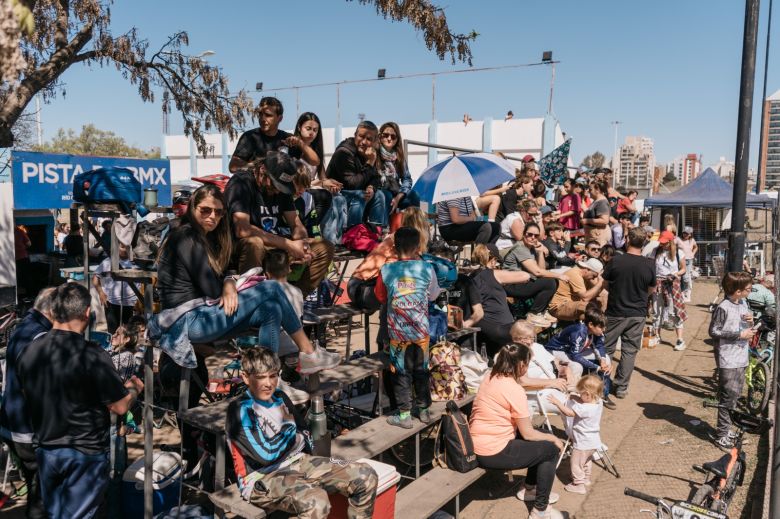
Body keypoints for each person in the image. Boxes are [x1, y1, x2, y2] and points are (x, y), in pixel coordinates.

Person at [151, 184, 339, 373]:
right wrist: (228, 283)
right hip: (187, 320)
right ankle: (308, 352)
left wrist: (230, 280)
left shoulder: (210, 237)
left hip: (205, 313)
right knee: (271, 287)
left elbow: (227, 269)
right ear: (193, 208)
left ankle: (269, 379)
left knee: (270, 309)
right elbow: (212, 288)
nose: (212, 217)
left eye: (218, 212)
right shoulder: (185, 236)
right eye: (205, 210)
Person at [17, 283, 143, 518]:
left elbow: (27, 394)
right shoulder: (92, 355)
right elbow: (120, 405)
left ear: (53, 312)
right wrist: (134, 389)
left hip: (47, 450)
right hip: (84, 454)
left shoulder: (30, 351)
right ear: (87, 313)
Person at [226, 348, 379, 518]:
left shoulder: (280, 396)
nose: (268, 383)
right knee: (317, 503)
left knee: (365, 475)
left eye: (273, 375)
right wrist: (291, 432)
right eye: (261, 377)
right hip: (262, 477)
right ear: (246, 377)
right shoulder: (240, 410)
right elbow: (266, 454)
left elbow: (304, 432)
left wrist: (298, 439)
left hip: (299, 461)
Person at [469, 344, 565, 519]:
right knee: (551, 450)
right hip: (493, 451)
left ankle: (529, 489)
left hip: (477, 442)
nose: (528, 368)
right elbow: (528, 434)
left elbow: (521, 383)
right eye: (527, 364)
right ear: (521, 365)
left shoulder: (491, 376)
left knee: (541, 436)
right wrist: (553, 438)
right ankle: (540, 510)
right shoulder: (514, 390)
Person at [224, 151, 335, 295]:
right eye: (275, 185)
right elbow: (242, 229)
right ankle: (253, 301)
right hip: (245, 249)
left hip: (276, 246)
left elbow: (295, 223)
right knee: (254, 243)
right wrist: (289, 245)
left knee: (324, 247)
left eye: (282, 187)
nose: (277, 190)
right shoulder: (241, 182)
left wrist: (303, 245)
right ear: (262, 169)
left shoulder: (283, 187)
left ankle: (295, 298)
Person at [374, 227, 440, 428]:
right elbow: (434, 294)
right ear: (418, 247)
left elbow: (381, 296)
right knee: (421, 370)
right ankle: (424, 410)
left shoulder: (386, 270)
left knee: (400, 372)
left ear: (394, 248)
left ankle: (404, 416)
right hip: (421, 332)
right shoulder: (427, 268)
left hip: (397, 333)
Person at [0, 288, 56, 519]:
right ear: (53, 310)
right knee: (42, 493)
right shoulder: (39, 336)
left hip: (11, 423)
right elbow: (36, 387)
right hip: (27, 429)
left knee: (37, 488)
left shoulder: (23, 326)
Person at [603, 227, 656, 399]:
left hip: (615, 311)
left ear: (627, 240)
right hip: (637, 313)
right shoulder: (649, 264)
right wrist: (640, 297)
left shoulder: (616, 261)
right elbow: (652, 288)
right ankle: (621, 387)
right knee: (629, 351)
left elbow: (605, 284)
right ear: (644, 242)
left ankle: (603, 385)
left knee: (607, 349)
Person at [347, 207, 429, 313]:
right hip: (360, 287)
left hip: (368, 285)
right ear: (420, 225)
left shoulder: (406, 238)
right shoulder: (398, 240)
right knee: (404, 291)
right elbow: (391, 273)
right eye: (426, 223)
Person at [709, 271, 756, 448]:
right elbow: (714, 331)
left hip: (741, 356)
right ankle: (721, 435)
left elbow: (744, 324)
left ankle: (727, 429)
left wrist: (751, 322)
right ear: (737, 291)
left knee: (735, 396)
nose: (750, 291)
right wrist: (739, 334)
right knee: (727, 397)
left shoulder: (743, 302)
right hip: (727, 358)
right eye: (748, 289)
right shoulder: (723, 307)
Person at [545, 305, 615, 409]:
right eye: (601, 327)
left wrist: (603, 361)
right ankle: (572, 395)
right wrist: (597, 367)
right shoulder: (578, 331)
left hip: (573, 351)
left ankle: (602, 393)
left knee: (607, 359)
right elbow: (575, 356)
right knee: (577, 366)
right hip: (556, 351)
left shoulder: (596, 332)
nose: (603, 330)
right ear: (591, 324)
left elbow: (599, 346)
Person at [466, 245, 531, 355]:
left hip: (485, 327)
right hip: (504, 327)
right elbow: (525, 275)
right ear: (493, 260)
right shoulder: (495, 274)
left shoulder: (470, 276)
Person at [546, 375, 604, 495]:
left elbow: (569, 413)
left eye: (581, 393)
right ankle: (586, 478)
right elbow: (585, 402)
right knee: (587, 460)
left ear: (587, 394)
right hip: (593, 442)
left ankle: (578, 485)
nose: (580, 396)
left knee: (576, 463)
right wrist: (576, 398)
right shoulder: (598, 403)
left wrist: (557, 402)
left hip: (582, 442)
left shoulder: (584, 408)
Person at [325, 121, 387, 230]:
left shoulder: (369, 152)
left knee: (379, 195)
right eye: (361, 136)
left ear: (374, 141)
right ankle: (353, 234)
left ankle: (376, 233)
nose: (363, 142)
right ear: (355, 135)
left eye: (369, 139)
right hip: (336, 194)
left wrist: (371, 187)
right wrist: (370, 162)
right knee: (360, 195)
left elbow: (377, 178)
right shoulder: (344, 152)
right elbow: (352, 184)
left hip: (355, 193)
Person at [228, 97, 315, 172]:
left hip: (282, 190)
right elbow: (232, 166)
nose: (263, 119)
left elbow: (314, 161)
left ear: (280, 118)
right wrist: (256, 166)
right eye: (260, 114)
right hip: (255, 189)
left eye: (268, 115)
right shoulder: (250, 137)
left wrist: (300, 143)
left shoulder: (287, 139)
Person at [501, 222, 563, 326]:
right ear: (524, 234)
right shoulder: (520, 248)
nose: (532, 238)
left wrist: (539, 252)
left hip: (522, 282)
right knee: (549, 282)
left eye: (536, 235)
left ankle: (541, 312)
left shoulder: (532, 249)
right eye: (529, 234)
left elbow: (541, 269)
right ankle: (533, 314)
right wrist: (559, 275)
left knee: (553, 281)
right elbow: (537, 272)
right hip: (511, 285)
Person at [510, 320, 570, 395]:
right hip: (538, 392)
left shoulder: (537, 347)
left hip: (553, 386)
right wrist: (551, 383)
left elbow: (557, 362)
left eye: (531, 338)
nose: (529, 342)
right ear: (515, 338)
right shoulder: (514, 353)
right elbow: (523, 381)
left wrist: (566, 371)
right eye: (525, 338)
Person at [652, 231, 688, 351]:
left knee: (674, 312)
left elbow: (683, 269)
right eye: (661, 243)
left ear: (671, 242)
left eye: (665, 243)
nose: (663, 245)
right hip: (658, 283)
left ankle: (680, 339)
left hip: (673, 283)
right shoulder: (656, 251)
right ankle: (657, 335)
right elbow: (652, 266)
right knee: (657, 311)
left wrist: (675, 274)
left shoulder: (679, 252)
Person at [92, 242, 138, 333]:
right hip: (111, 303)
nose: (124, 249)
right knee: (112, 332)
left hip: (131, 304)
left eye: (127, 247)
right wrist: (101, 293)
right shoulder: (108, 262)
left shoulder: (136, 263)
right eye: (122, 246)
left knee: (128, 332)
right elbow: (95, 278)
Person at [377, 122, 420, 217]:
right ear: (380, 136)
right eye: (386, 135)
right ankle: (385, 229)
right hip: (380, 191)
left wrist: (399, 196)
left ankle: (413, 227)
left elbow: (407, 179)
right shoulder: (374, 154)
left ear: (397, 139)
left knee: (414, 195)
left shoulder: (399, 157)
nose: (389, 138)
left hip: (396, 192)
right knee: (385, 195)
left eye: (393, 136)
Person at [547, 258, 604, 322]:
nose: (594, 278)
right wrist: (599, 283)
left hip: (571, 305)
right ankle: (591, 327)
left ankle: (598, 324)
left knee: (602, 298)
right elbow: (585, 298)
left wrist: (599, 282)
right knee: (585, 306)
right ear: (587, 269)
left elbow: (598, 292)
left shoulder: (585, 277)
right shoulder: (575, 274)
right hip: (559, 307)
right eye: (594, 276)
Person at [581, 180, 611, 246]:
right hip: (594, 234)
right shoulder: (596, 201)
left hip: (599, 235)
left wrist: (587, 220)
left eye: (590, 189)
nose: (589, 191)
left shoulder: (602, 202)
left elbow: (605, 220)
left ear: (597, 190)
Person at [679, 226, 698, 302]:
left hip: (689, 260)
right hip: (681, 260)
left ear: (690, 234)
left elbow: (696, 247)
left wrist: (693, 254)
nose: (685, 235)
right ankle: (683, 293)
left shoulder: (692, 240)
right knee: (682, 277)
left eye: (687, 234)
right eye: (684, 233)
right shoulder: (679, 240)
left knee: (687, 277)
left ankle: (687, 293)